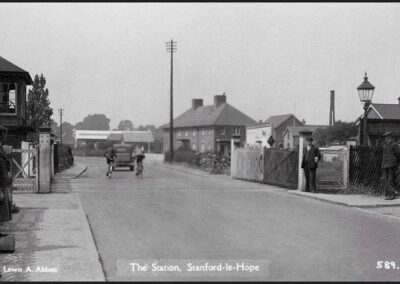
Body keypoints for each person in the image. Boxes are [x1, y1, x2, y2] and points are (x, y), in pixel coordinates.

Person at [381, 131, 400, 200]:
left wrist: (397, 163)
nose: (385, 138)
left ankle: (391, 195)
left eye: (387, 137)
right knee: (383, 179)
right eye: (385, 137)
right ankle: (394, 191)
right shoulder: (385, 145)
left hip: (392, 164)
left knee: (390, 180)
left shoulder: (395, 144)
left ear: (390, 137)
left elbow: (399, 154)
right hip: (384, 165)